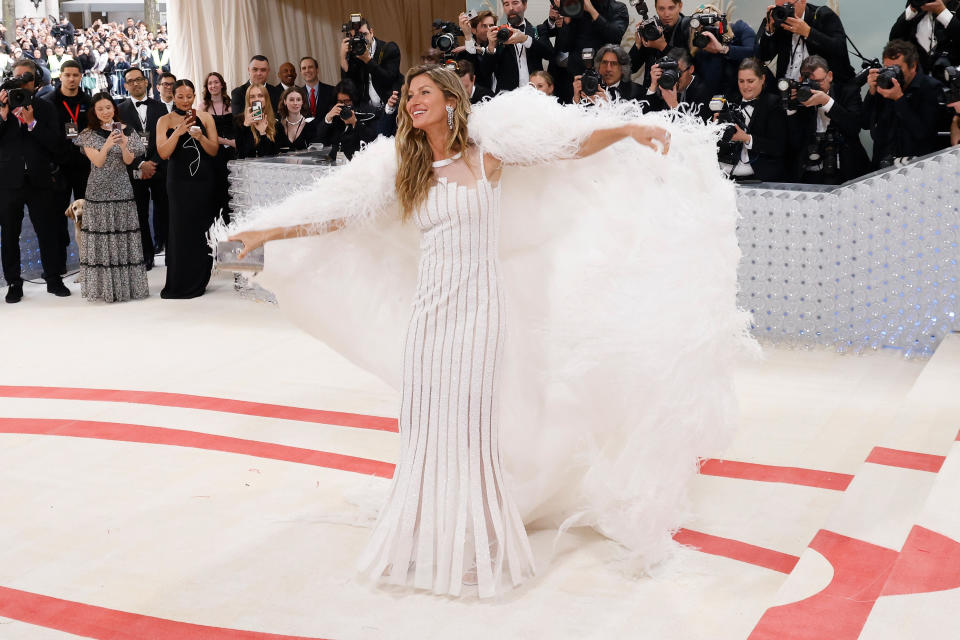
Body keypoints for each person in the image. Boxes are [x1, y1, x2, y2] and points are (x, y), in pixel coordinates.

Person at [227, 64, 671, 598]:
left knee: (471, 429)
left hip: (480, 313)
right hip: (429, 317)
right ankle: (423, 532)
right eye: (409, 95)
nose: (413, 101)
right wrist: (268, 232)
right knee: (424, 425)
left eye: (424, 92)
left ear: (450, 99)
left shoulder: (488, 156)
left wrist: (627, 128)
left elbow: (566, 146)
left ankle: (481, 545)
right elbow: (340, 214)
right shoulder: (409, 170)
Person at [0, 58, 70, 303]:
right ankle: (14, 283)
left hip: (40, 179)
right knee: (9, 234)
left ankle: (53, 279)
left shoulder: (46, 107)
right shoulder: (1, 107)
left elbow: (57, 145)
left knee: (47, 231)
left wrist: (32, 123)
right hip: (9, 181)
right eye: (15, 78)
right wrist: (3, 115)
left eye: (25, 79)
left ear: (35, 82)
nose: (20, 83)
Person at [74, 92, 148, 302]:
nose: (105, 112)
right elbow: (97, 161)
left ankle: (126, 288)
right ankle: (104, 289)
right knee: (102, 241)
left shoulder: (128, 130)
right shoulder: (88, 134)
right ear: (94, 113)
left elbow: (128, 160)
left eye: (108, 107)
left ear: (114, 109)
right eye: (100, 109)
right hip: (97, 191)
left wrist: (123, 142)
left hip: (122, 189)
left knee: (124, 238)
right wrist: (107, 143)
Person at [156, 79, 219, 299]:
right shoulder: (164, 120)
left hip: (203, 181)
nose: (185, 101)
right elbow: (163, 153)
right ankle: (179, 281)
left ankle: (200, 278)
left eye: (189, 96)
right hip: (178, 182)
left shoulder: (206, 117)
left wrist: (200, 136)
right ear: (173, 96)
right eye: (180, 96)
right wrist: (178, 132)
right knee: (180, 229)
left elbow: (213, 151)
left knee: (202, 229)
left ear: (195, 96)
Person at [787, 55, 869, 184]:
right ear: (801, 80)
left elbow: (853, 128)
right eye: (810, 82)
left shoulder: (847, 91)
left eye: (819, 82)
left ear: (830, 76)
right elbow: (794, 141)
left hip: (845, 169)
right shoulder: (801, 97)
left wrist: (827, 102)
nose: (815, 88)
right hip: (810, 172)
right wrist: (791, 108)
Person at [862, 39, 941, 168]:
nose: (892, 73)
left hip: (916, 167)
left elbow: (923, 133)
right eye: (887, 68)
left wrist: (899, 99)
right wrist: (872, 93)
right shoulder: (884, 85)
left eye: (897, 68)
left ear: (913, 66)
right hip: (882, 165)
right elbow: (865, 123)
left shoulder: (930, 88)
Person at [117, 66, 167, 267]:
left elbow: (166, 137)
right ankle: (147, 255)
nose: (136, 83)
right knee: (140, 214)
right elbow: (120, 142)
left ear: (146, 82)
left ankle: (167, 247)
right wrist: (140, 163)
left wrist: (152, 163)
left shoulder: (161, 107)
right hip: (134, 168)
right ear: (126, 85)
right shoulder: (119, 111)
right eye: (131, 81)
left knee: (164, 210)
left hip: (159, 166)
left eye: (139, 79)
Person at [45, 59, 90, 260]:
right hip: (58, 167)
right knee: (57, 217)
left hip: (84, 166)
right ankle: (59, 262)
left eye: (75, 75)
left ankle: (89, 259)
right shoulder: (47, 102)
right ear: (60, 75)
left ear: (81, 77)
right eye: (68, 75)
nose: (71, 79)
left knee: (88, 214)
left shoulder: (89, 101)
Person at [714, 58, 786, 181]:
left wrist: (747, 138)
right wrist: (716, 128)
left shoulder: (774, 104)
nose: (745, 86)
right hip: (724, 176)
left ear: (762, 79)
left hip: (758, 178)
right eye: (741, 81)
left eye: (750, 81)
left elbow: (778, 147)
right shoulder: (728, 101)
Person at [755, 0, 854, 84]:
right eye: (779, 7)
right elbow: (764, 57)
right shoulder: (777, 19)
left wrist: (808, 32)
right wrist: (769, 31)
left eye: (788, 5)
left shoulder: (823, 15)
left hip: (823, 88)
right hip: (787, 88)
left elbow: (840, 49)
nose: (783, 11)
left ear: (802, 1)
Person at [480, 0, 555, 93]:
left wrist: (525, 39)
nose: (511, 8)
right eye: (506, 4)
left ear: (525, 5)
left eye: (515, 3)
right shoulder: (496, 35)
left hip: (535, 94)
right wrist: (491, 46)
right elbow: (486, 72)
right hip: (507, 97)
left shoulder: (538, 30)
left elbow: (550, 54)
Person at [687, 3, 757, 99]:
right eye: (703, 29)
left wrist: (724, 49)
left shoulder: (739, 30)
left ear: (722, 24)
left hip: (744, 97)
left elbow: (755, 52)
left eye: (713, 27)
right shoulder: (698, 51)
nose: (709, 32)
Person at [339, 18, 402, 109]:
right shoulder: (354, 54)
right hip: (368, 110)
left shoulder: (389, 49)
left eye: (364, 34)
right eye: (356, 37)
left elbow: (389, 79)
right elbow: (348, 86)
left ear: (371, 32)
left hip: (390, 108)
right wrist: (343, 58)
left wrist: (368, 60)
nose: (361, 39)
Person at [889, 0, 960, 75]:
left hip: (951, 78)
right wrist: (911, 10)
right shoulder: (918, 8)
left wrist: (942, 12)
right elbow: (894, 41)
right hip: (919, 79)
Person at [629, 0, 690, 86]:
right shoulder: (651, 29)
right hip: (652, 93)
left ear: (680, 6)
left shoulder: (689, 27)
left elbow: (689, 67)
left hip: (679, 94)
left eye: (671, 8)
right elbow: (630, 69)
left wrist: (663, 47)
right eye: (661, 9)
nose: (666, 14)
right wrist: (637, 45)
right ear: (656, 8)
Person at [202, 71, 235, 222]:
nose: (213, 85)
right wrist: (227, 142)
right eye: (210, 83)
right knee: (216, 191)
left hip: (232, 154)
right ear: (206, 87)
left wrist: (233, 143)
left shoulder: (232, 104)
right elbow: (202, 133)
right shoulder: (202, 107)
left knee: (232, 190)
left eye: (216, 82)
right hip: (213, 155)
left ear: (222, 84)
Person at [317, 79, 377, 160]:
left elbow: (372, 139)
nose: (343, 105)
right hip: (334, 160)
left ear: (354, 99)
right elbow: (320, 137)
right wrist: (328, 118)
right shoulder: (334, 112)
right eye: (340, 101)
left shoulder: (365, 112)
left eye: (347, 101)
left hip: (356, 161)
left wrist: (355, 122)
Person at [645, 46, 710, 115]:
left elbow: (698, 123)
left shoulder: (704, 91)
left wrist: (674, 105)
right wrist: (653, 85)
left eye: (678, 73)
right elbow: (647, 117)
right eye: (670, 71)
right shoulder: (665, 82)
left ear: (691, 69)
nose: (674, 78)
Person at [236, 83, 280, 159]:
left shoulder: (276, 124)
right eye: (252, 97)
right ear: (248, 100)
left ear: (266, 99)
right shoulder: (238, 122)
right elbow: (242, 154)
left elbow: (271, 156)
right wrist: (246, 126)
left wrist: (262, 133)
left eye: (260, 96)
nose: (256, 99)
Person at [456, 10, 497, 90]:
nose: (488, 29)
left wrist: (481, 49)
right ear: (473, 30)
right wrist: (468, 35)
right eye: (484, 26)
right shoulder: (464, 52)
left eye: (491, 25)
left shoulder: (501, 46)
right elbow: (475, 74)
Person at [276, 86, 317, 152]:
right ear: (285, 102)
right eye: (291, 100)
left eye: (298, 100)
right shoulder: (278, 125)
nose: (295, 103)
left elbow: (315, 152)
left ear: (302, 102)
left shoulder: (310, 124)